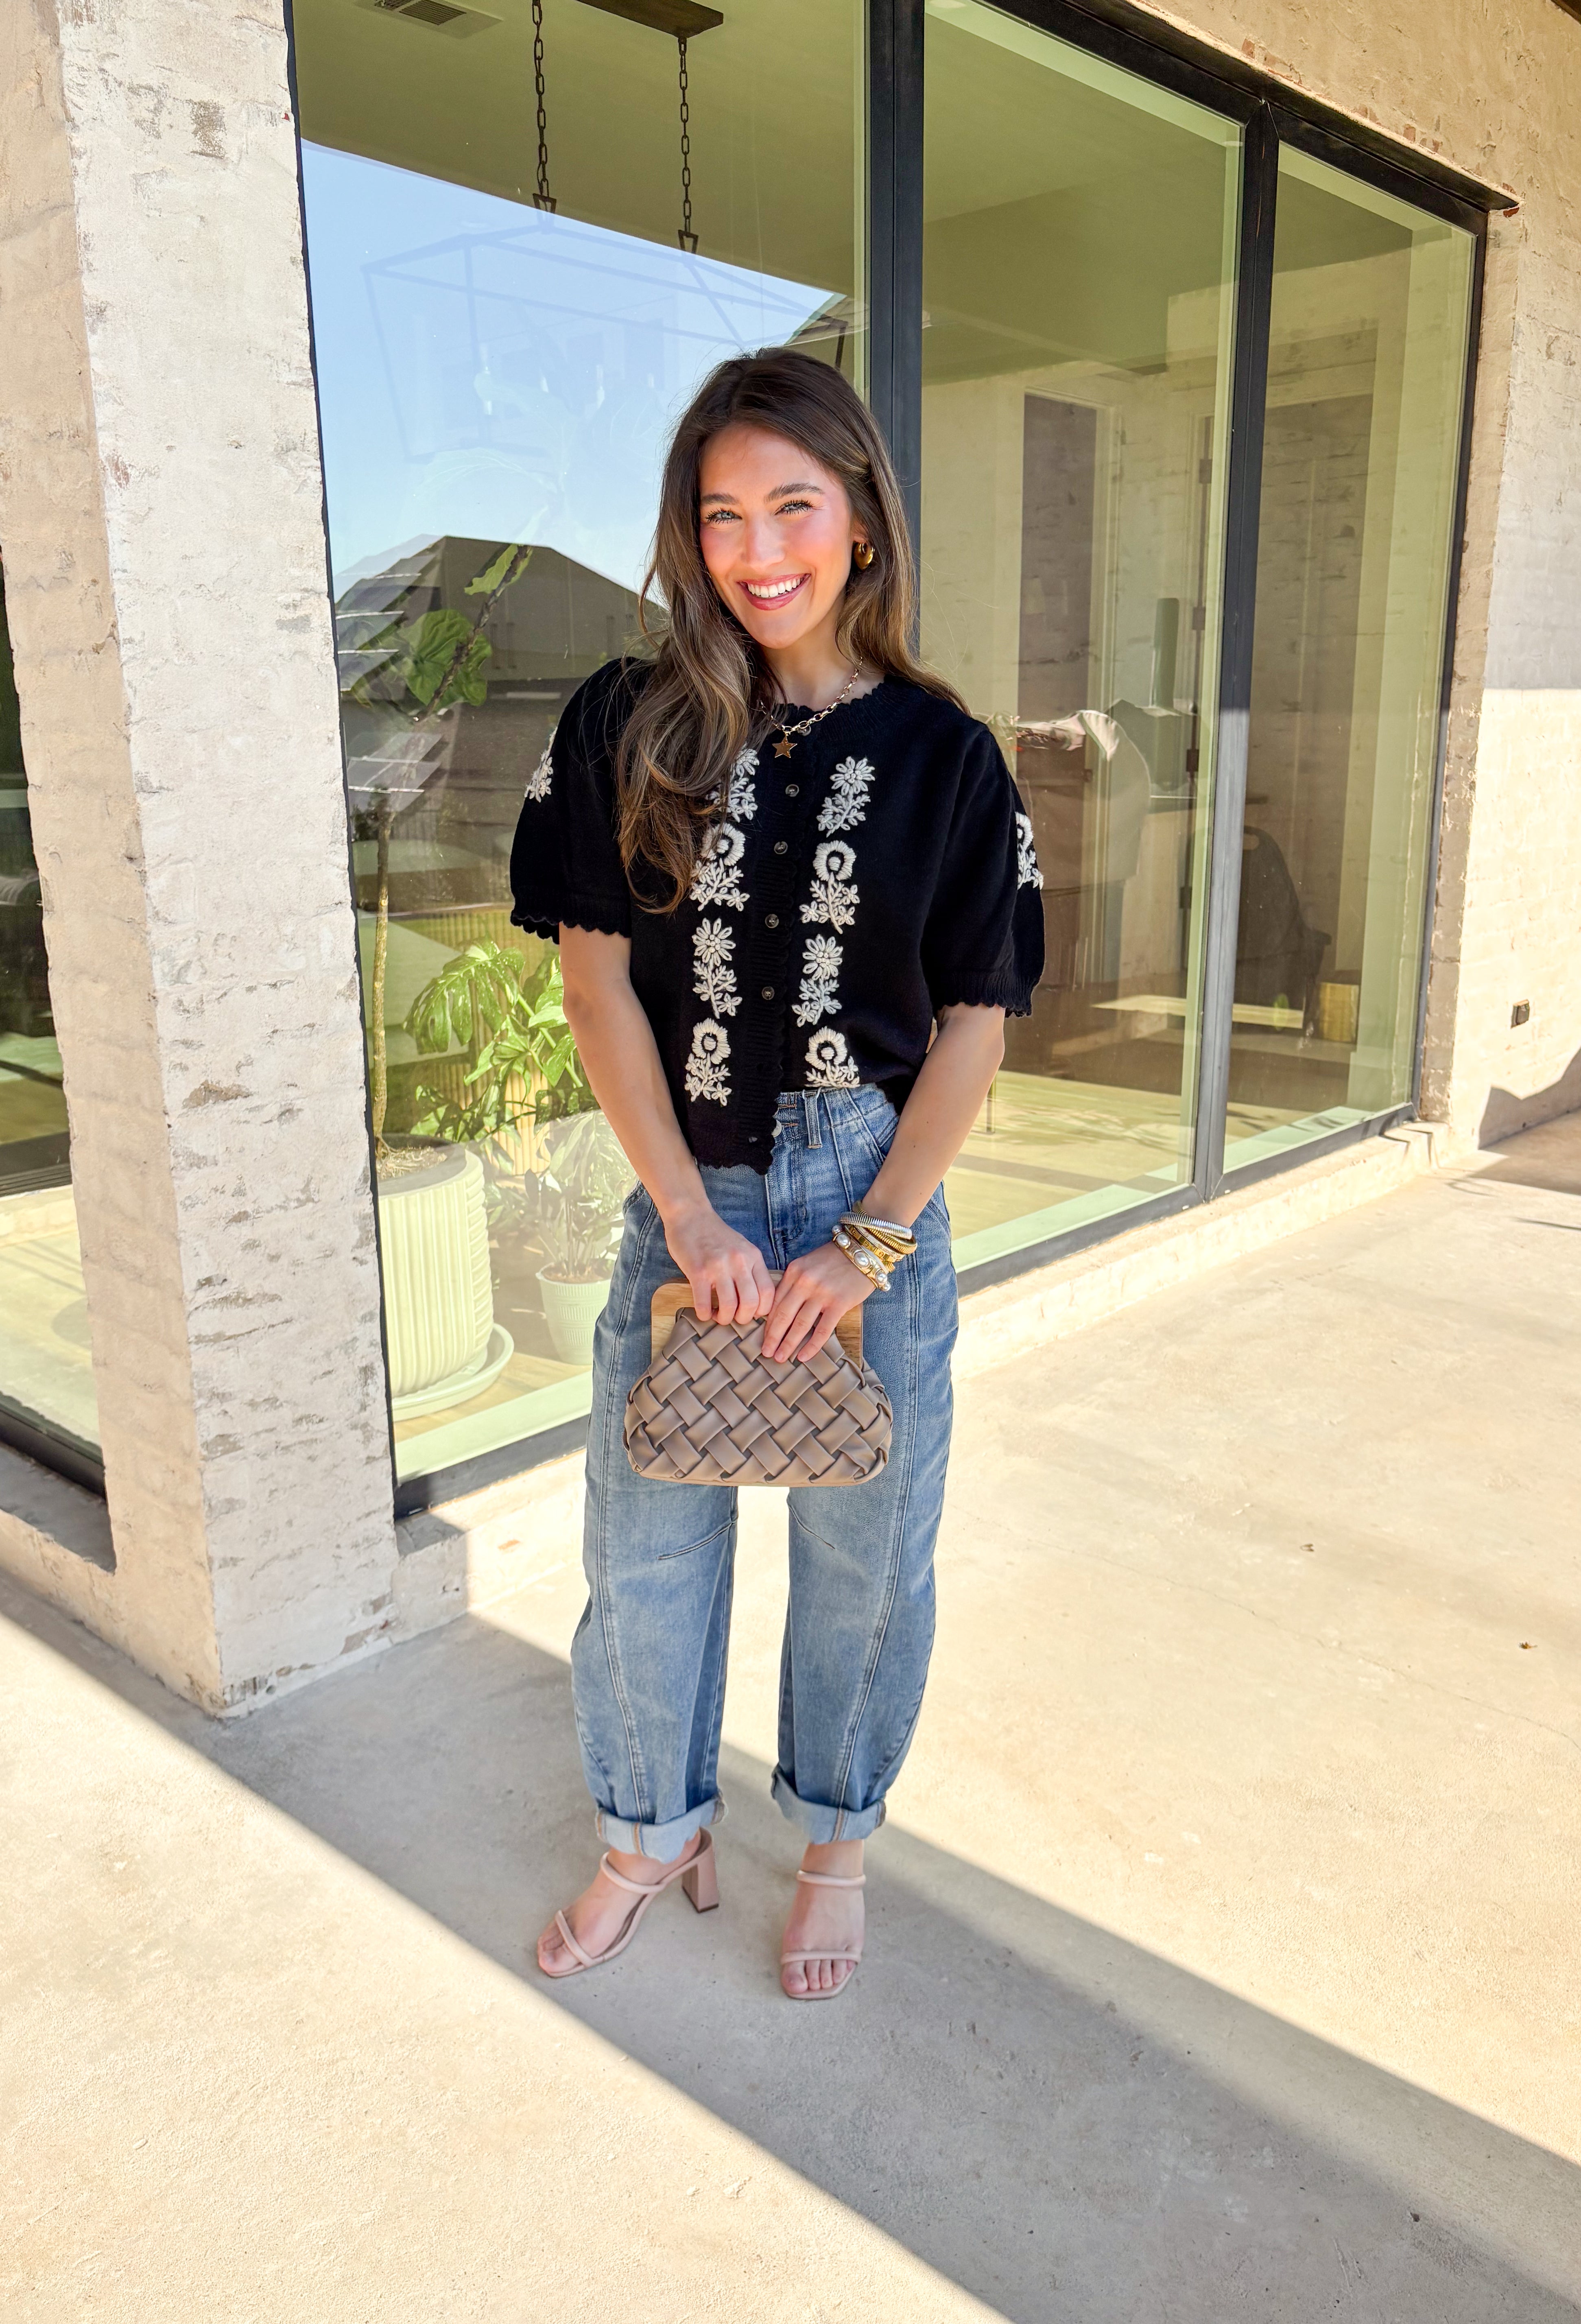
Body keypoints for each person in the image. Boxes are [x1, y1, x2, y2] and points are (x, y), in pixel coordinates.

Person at [510, 347, 1043, 2000]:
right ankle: (648, 1831)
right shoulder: (626, 721)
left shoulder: (951, 761)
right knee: (646, 1544)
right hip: (699, 1192)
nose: (759, 551)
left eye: (793, 507)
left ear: (862, 520)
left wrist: (868, 1249)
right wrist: (686, 1215)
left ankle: (833, 1843)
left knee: (869, 1561)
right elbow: (597, 984)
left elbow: (973, 1024)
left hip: (869, 1195)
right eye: (722, 514)